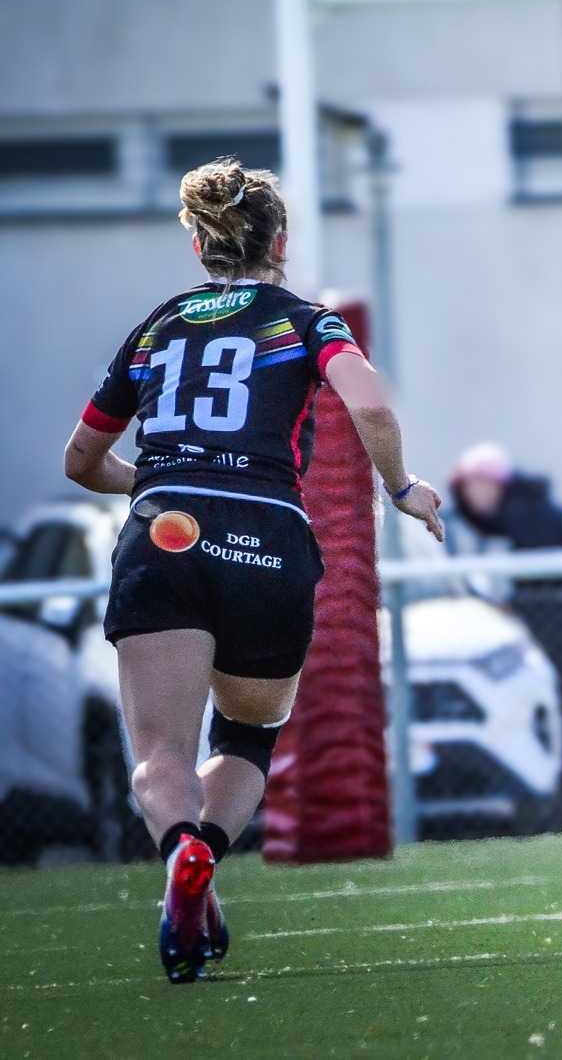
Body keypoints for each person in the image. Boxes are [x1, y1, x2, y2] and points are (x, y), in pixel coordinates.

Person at [61, 159, 445, 983]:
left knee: (160, 755)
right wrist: (400, 487)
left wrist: (158, 483)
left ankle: (181, 850)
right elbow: (369, 402)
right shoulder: (305, 320)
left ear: (199, 244)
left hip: (164, 533)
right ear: (279, 242)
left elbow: (81, 459)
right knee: (247, 734)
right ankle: (204, 851)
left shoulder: (157, 327)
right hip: (268, 537)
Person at [448, 441, 562, 828]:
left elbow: (544, 574)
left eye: (472, 488)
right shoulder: (522, 509)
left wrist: (516, 604)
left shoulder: (523, 512)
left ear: (492, 484)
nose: (470, 499)